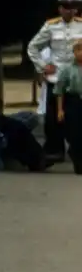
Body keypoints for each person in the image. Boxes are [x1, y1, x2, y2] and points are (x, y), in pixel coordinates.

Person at [27, 0, 82, 161]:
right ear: (60, 9)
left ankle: (76, 150)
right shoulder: (51, 26)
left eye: (73, 8)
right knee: (53, 118)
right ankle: (55, 150)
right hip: (56, 76)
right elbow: (33, 47)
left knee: (76, 117)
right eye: (66, 8)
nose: (69, 11)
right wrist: (43, 66)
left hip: (76, 78)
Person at [54, 37, 82, 174]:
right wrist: (60, 110)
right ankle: (76, 158)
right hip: (73, 102)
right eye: (78, 49)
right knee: (75, 134)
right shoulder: (67, 69)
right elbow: (59, 90)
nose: (81, 52)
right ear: (74, 52)